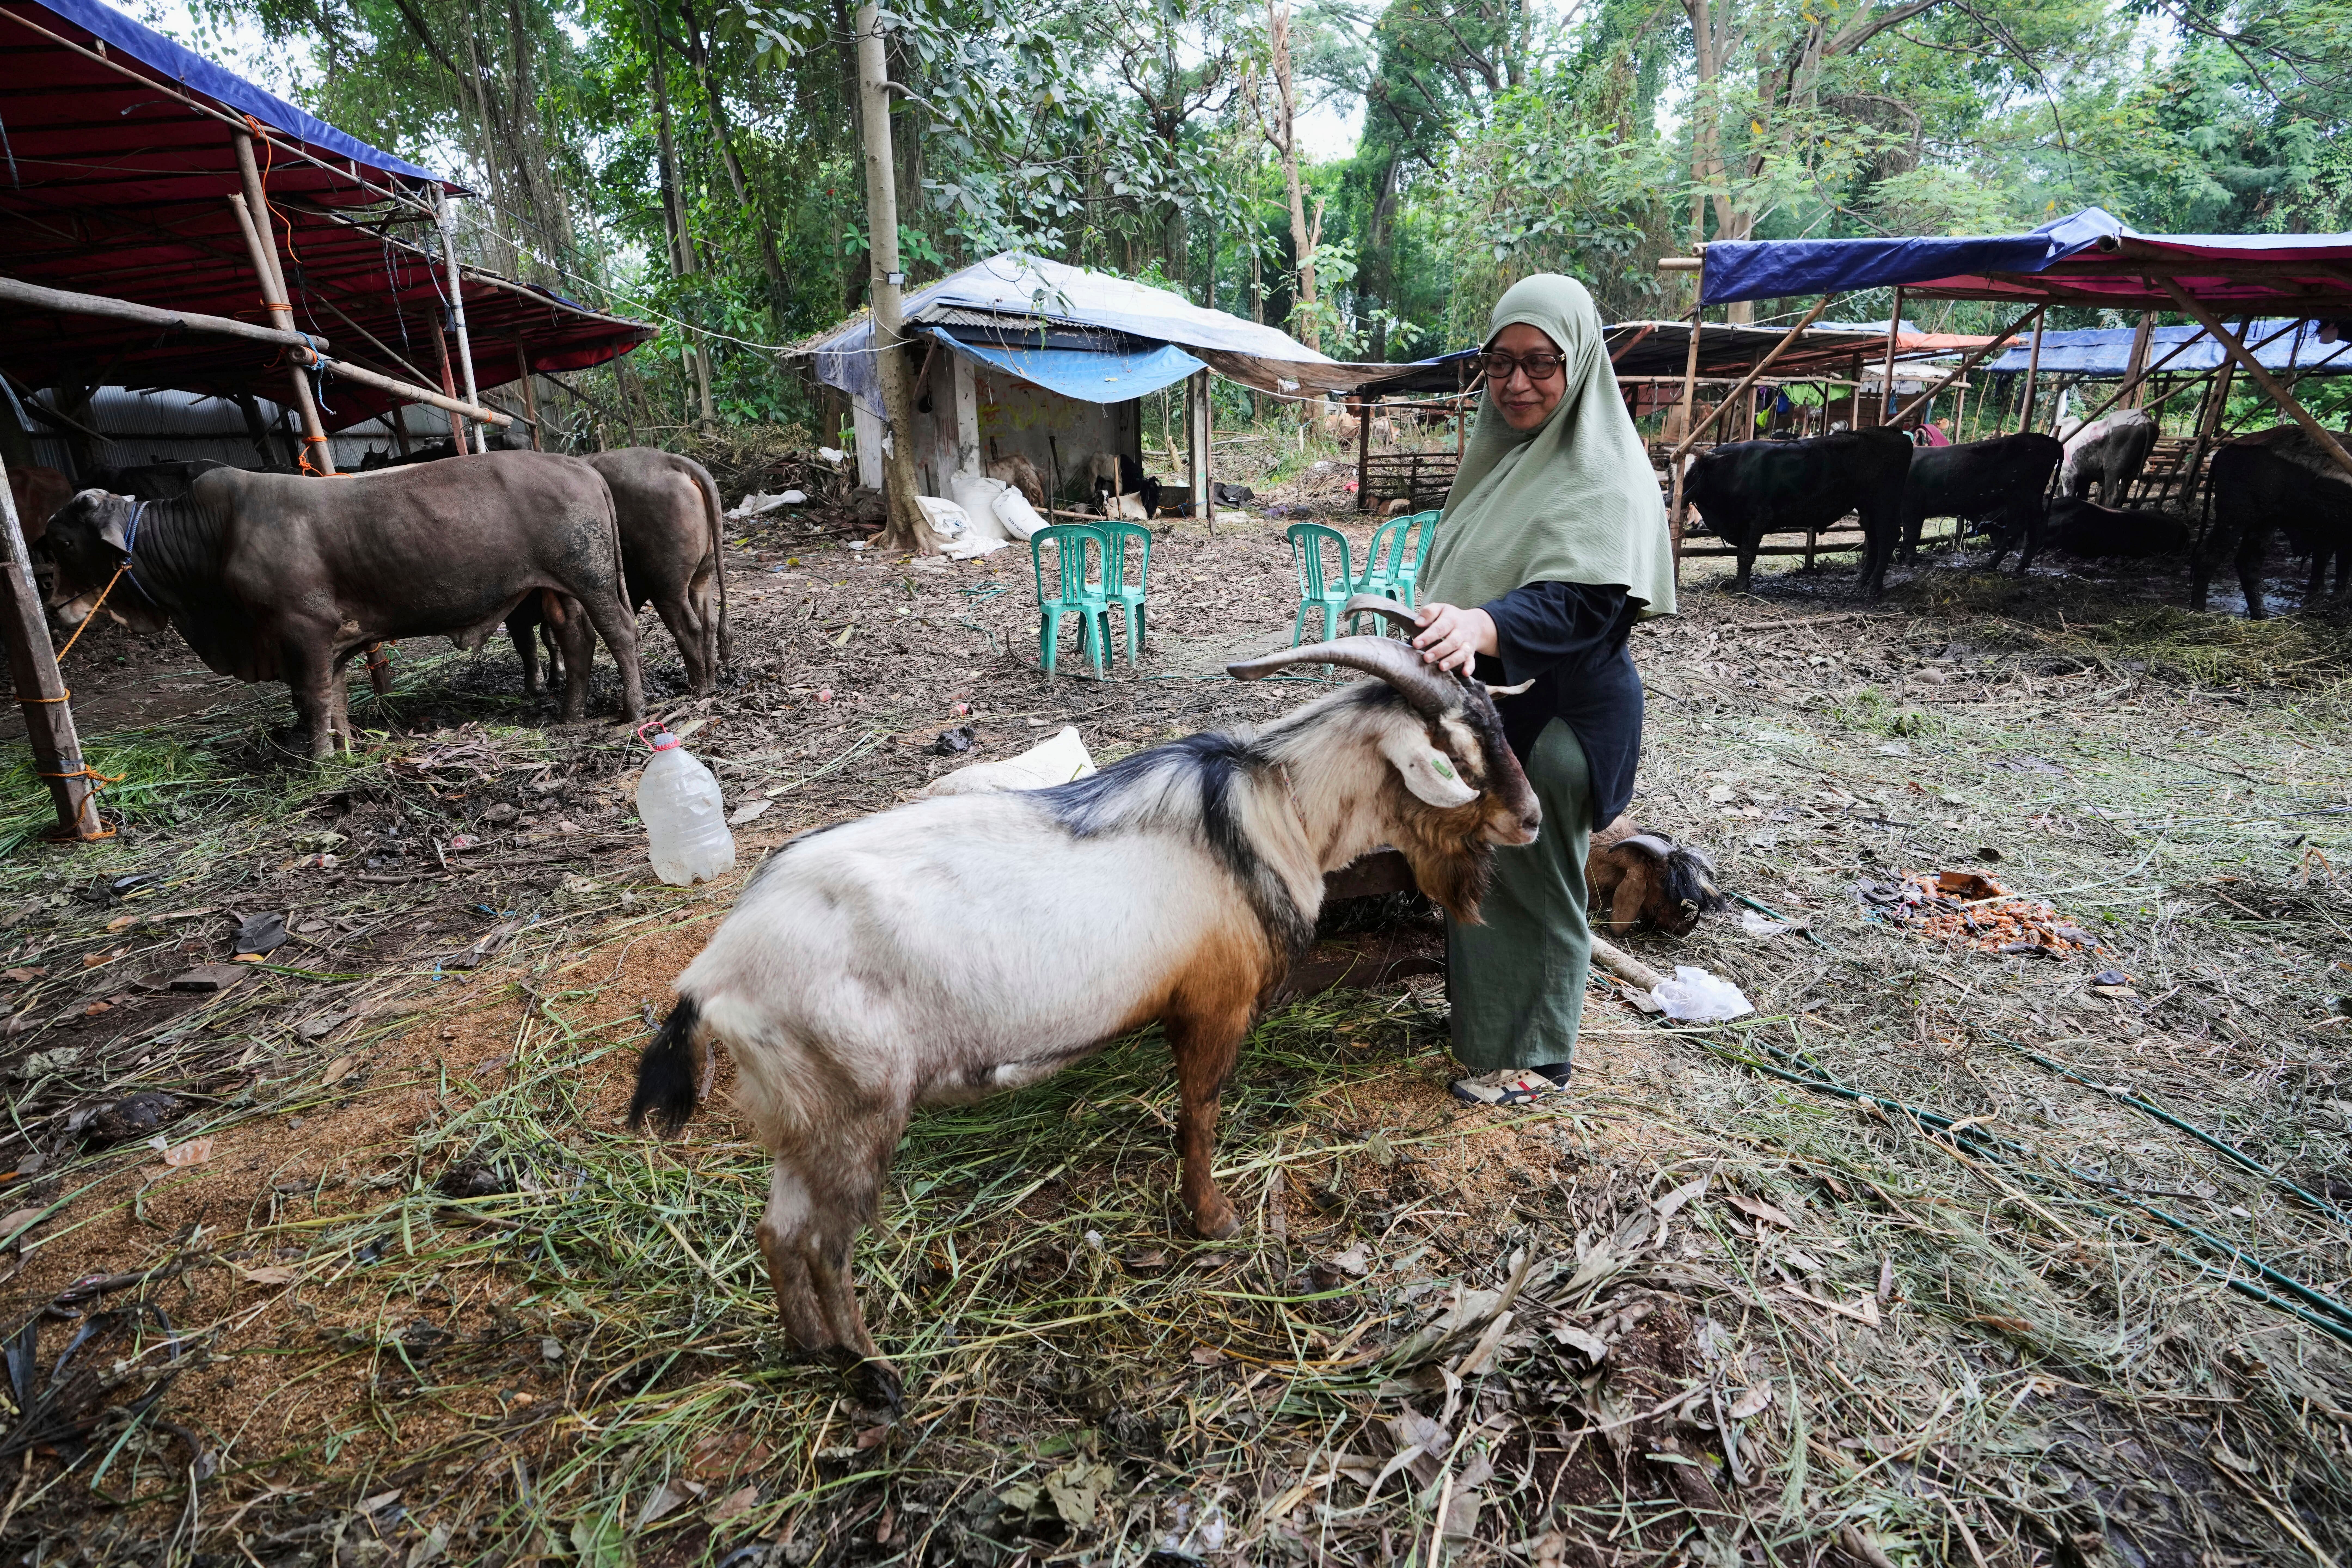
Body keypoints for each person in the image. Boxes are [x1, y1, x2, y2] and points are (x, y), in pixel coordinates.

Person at [1404, 275, 1679, 1106]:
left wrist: (1483, 628)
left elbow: (1585, 601)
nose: (1518, 384)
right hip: (1496, 713)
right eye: (1501, 364)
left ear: (1581, 365)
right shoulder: (1506, 463)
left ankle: (1541, 1058)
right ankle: (1488, 1029)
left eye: (1541, 364)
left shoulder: (1603, 471)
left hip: (1561, 725)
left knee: (1536, 878)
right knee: (1480, 864)